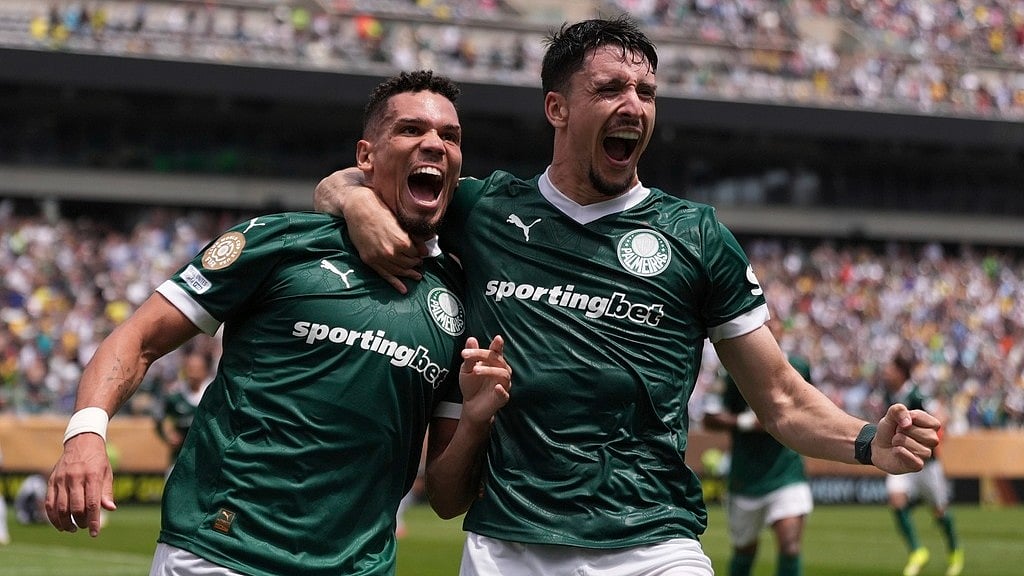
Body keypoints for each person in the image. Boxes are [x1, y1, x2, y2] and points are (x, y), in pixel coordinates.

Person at [315, 16, 941, 576]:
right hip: (510, 548)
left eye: (645, 93)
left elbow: (778, 397)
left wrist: (868, 442)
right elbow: (352, 178)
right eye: (610, 89)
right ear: (557, 109)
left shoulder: (697, 236)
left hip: (653, 545)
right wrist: (355, 203)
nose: (634, 106)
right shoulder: (483, 209)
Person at [45, 70, 513, 576]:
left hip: (359, 568)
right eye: (410, 130)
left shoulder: (458, 299)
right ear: (365, 157)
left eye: (450, 135)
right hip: (220, 553)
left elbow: (446, 498)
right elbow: (138, 339)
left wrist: (476, 419)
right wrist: (87, 433)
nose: (435, 144)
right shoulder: (280, 242)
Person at [703, 314, 814, 576]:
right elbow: (709, 417)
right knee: (744, 551)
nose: (770, 333)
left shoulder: (798, 366)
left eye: (774, 327)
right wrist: (746, 422)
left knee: (789, 545)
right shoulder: (730, 370)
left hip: (786, 470)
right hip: (746, 476)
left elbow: (811, 407)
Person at [880, 351, 963, 576]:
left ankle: (955, 551)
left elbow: (938, 416)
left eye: (890, 368)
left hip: (927, 464)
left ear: (900, 372)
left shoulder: (917, 395)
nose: (886, 372)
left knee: (939, 511)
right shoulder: (888, 394)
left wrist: (934, 434)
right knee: (895, 499)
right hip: (901, 460)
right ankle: (917, 551)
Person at [152, 350, 212, 473]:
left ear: (205, 370)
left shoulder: (214, 394)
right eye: (190, 368)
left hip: (208, 459)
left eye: (196, 368)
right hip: (179, 459)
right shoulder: (175, 395)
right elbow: (158, 417)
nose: (192, 372)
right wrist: (167, 436)